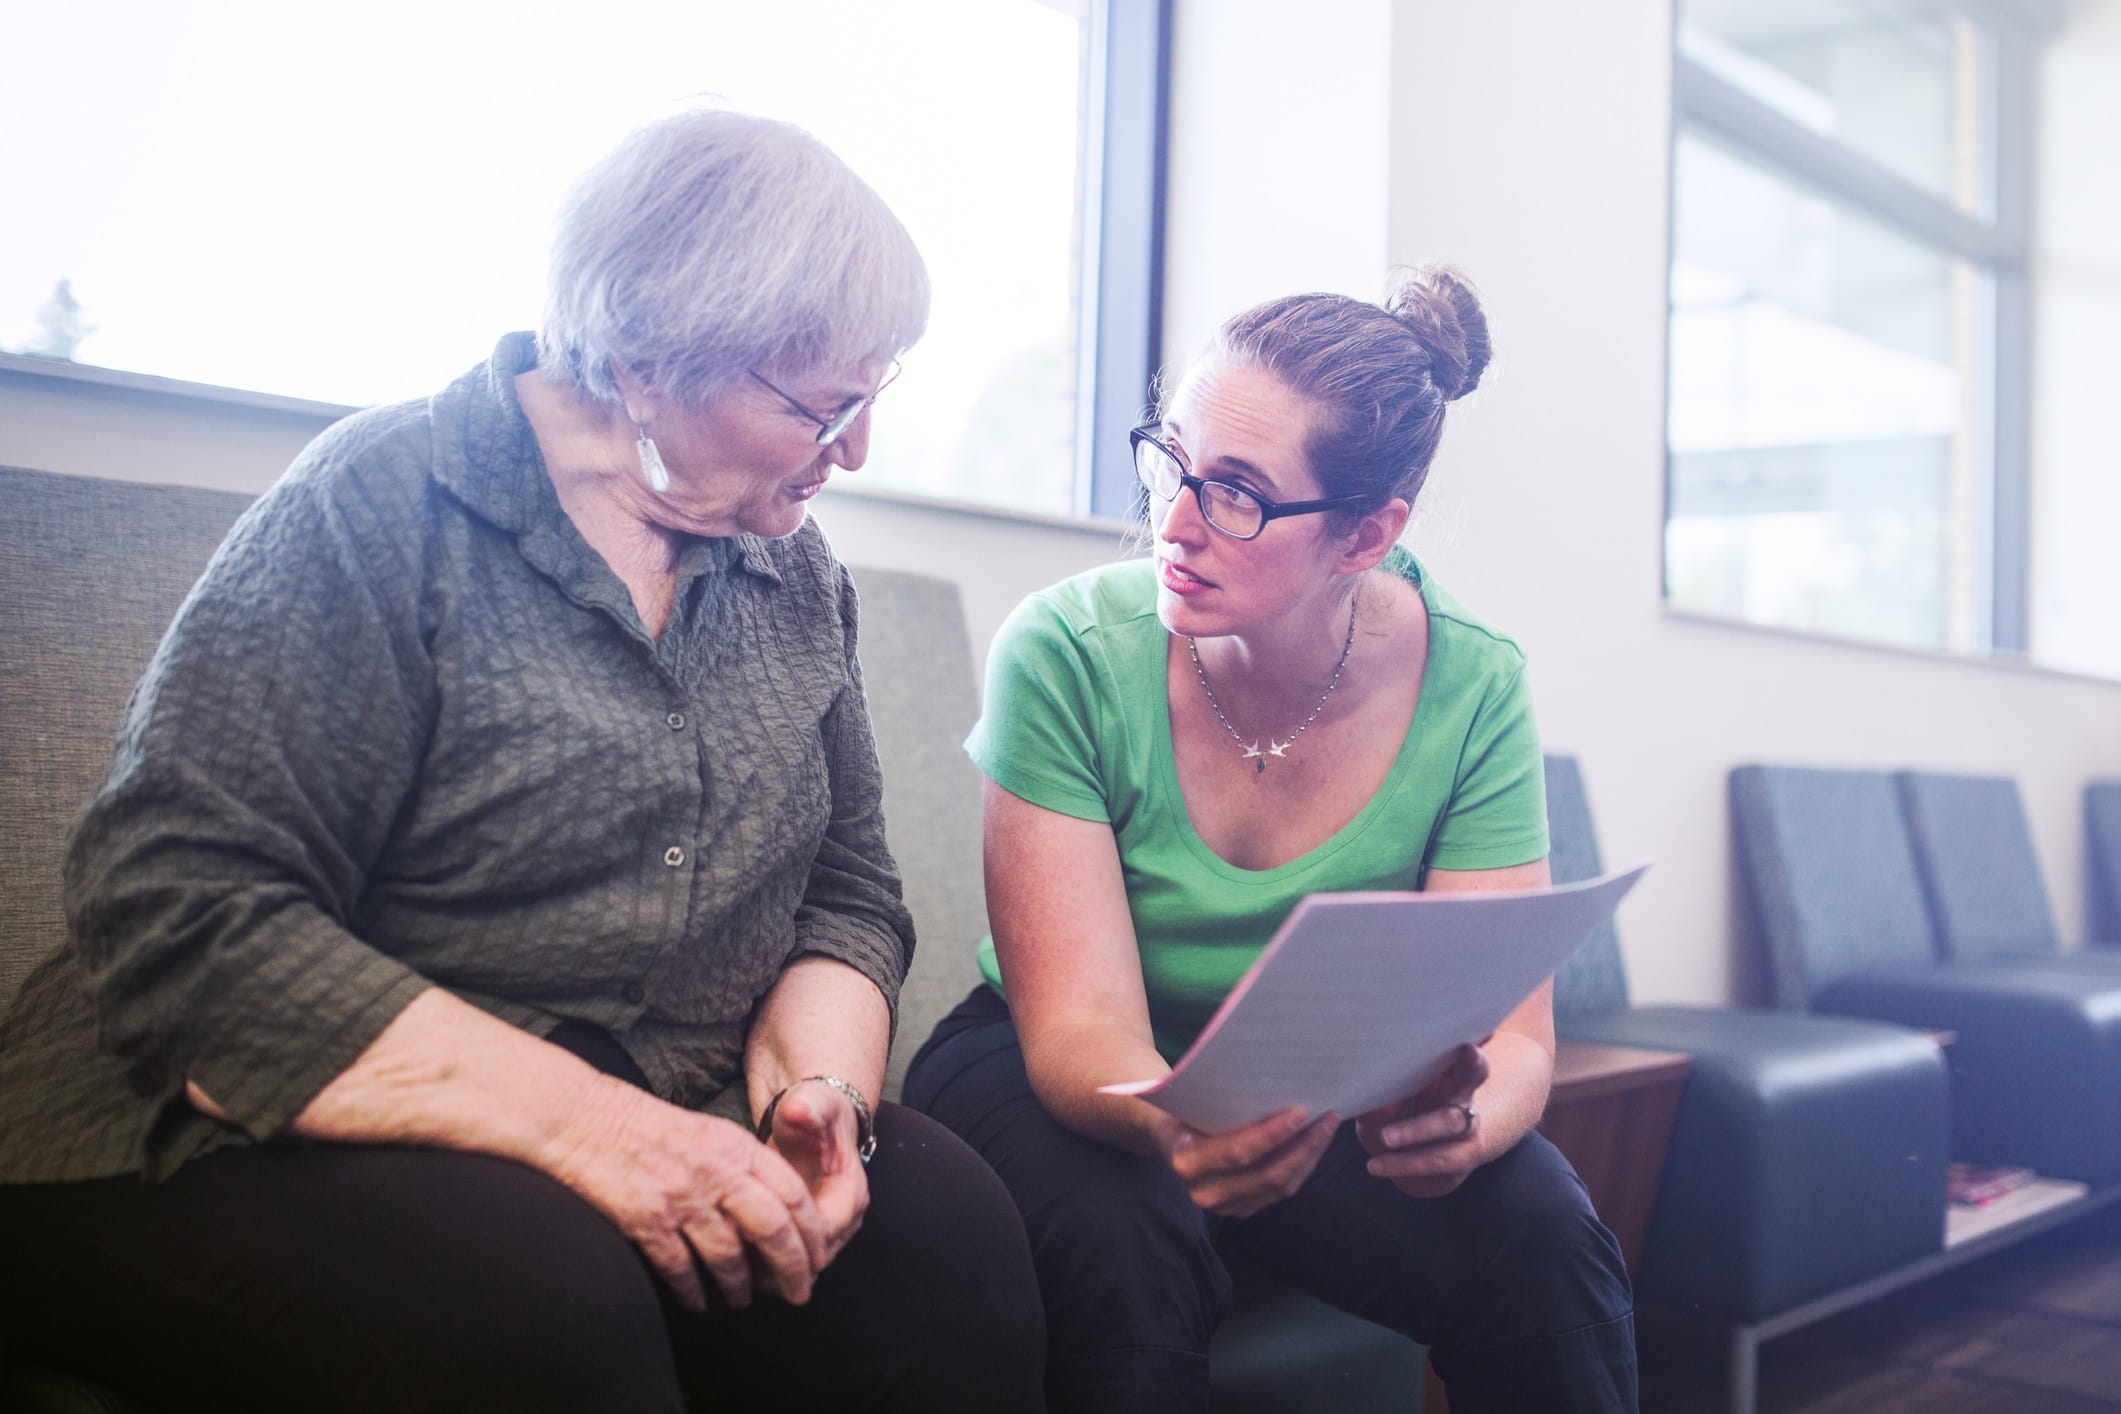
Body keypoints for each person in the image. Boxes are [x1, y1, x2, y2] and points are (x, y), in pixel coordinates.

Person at [0, 108, 1045, 1413]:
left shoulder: (790, 570)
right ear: (649, 359)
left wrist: (821, 1092)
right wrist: (610, 1135)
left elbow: (845, 890)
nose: (857, 452)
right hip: (227, 1113)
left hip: (650, 1088)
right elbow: (185, 916)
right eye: (819, 405)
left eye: (871, 395)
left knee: (943, 1234)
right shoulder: (387, 503)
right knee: (540, 1299)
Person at [903, 269, 1636, 1413]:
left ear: (1366, 535)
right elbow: (1080, 1026)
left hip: (1308, 1091)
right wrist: (1183, 1123)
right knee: (1127, 1233)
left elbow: (1516, 1042)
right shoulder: (1065, 650)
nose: (1176, 520)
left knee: (1542, 1226)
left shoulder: (1476, 682)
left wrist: (1464, 1125)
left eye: (1237, 494)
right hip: (1068, 1063)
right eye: (1174, 461)